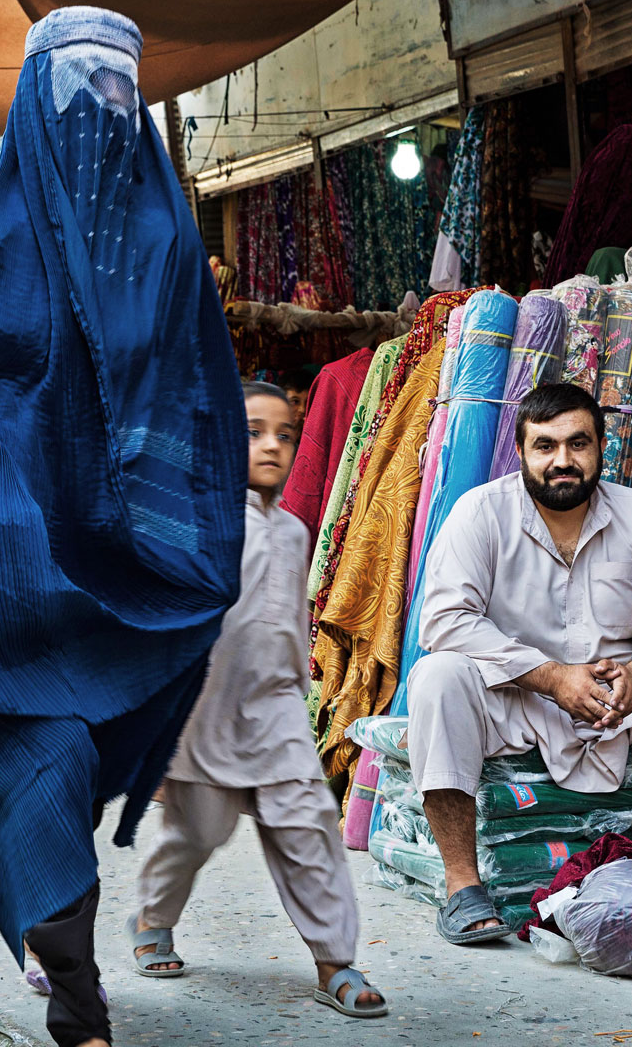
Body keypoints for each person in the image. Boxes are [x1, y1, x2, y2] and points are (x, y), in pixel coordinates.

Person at [0, 8, 245, 1047]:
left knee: (71, 762)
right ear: (33, 102)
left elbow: (196, 387)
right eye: (79, 94)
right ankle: (77, 991)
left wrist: (176, 520)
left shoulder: (162, 232)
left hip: (120, 566)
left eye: (122, 94)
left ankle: (59, 949)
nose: (102, 116)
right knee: (43, 762)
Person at [407, 382, 632, 943]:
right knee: (439, 677)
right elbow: (445, 621)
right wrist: (552, 678)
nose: (562, 461)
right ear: (521, 450)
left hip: (626, 702)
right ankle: (463, 886)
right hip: (523, 702)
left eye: (578, 444)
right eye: (545, 446)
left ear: (601, 447)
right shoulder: (481, 513)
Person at [133, 382, 386, 1018]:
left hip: (277, 713)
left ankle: (336, 960)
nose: (271, 445)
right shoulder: (195, 523)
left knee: (308, 829)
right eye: (251, 431)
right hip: (204, 714)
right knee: (196, 833)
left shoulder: (295, 531)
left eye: (284, 433)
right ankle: (152, 916)